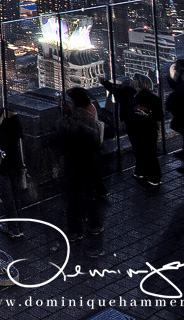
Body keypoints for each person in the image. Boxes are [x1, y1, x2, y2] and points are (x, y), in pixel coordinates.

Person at [59, 87, 105, 255]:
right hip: (90, 163)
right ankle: (94, 225)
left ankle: (75, 230)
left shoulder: (77, 121)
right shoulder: (90, 111)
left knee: (73, 199)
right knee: (89, 195)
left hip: (75, 166)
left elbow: (62, 139)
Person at [102, 74, 164, 185]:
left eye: (134, 79)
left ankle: (154, 177)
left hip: (146, 129)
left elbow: (159, 115)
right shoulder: (130, 92)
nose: (132, 80)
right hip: (134, 128)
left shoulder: (150, 97)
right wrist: (105, 83)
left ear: (140, 82)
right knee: (139, 151)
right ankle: (141, 172)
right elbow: (115, 90)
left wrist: (146, 111)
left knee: (149, 153)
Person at [0, 101, 27, 237]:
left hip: (3, 168)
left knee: (8, 198)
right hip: (16, 166)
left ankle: (13, 228)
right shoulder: (16, 129)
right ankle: (19, 227)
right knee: (16, 197)